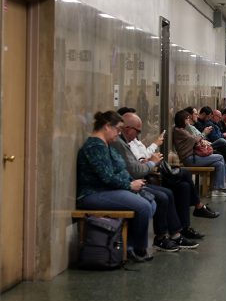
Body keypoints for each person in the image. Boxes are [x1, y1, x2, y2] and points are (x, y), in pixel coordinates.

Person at [76, 111, 155, 262]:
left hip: (107, 190)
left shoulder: (107, 145)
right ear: (107, 127)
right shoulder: (94, 147)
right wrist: (129, 184)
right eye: (117, 129)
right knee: (143, 206)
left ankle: (129, 244)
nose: (119, 134)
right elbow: (107, 177)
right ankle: (137, 248)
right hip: (93, 194)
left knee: (150, 202)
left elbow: (118, 169)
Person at [112, 114, 199, 251]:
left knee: (182, 187)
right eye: (116, 129)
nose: (117, 133)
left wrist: (147, 163)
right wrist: (150, 163)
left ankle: (179, 232)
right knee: (164, 195)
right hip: (137, 179)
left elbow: (131, 166)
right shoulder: (118, 143)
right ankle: (154, 240)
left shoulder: (123, 142)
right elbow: (131, 170)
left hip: (141, 176)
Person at [122, 112, 218, 219]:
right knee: (178, 182)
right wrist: (151, 160)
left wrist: (152, 155)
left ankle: (181, 230)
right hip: (150, 173)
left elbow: (143, 157)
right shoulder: (123, 145)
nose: (189, 120)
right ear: (126, 128)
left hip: (150, 168)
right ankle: (199, 206)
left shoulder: (133, 141)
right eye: (187, 118)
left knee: (184, 187)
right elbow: (136, 167)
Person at [172, 110, 226, 197]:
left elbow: (193, 140)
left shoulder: (182, 130)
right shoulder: (180, 131)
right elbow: (194, 140)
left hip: (193, 156)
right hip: (189, 159)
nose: (188, 121)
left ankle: (217, 189)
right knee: (220, 156)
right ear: (182, 120)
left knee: (219, 163)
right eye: (187, 119)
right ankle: (224, 181)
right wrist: (204, 134)